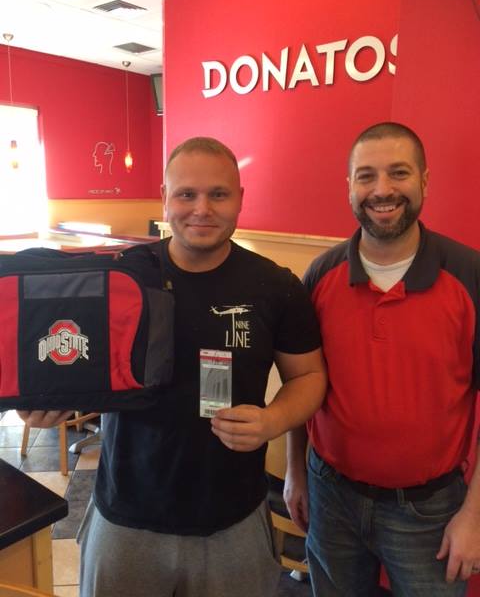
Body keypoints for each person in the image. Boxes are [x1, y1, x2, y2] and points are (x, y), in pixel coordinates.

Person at [19, 136, 327, 597]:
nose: (202, 208)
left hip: (233, 521)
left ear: (240, 198)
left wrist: (274, 419)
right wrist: (48, 403)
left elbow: (309, 376)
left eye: (218, 194)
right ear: (165, 197)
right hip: (126, 517)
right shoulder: (120, 276)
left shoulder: (276, 286)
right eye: (186, 194)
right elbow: (75, 363)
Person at [285, 122, 480, 596]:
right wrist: (295, 470)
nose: (382, 190)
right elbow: (300, 381)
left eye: (399, 173)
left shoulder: (469, 275)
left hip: (431, 512)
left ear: (424, 181)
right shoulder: (320, 275)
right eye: (366, 176)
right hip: (330, 496)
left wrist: (475, 515)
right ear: (349, 187)